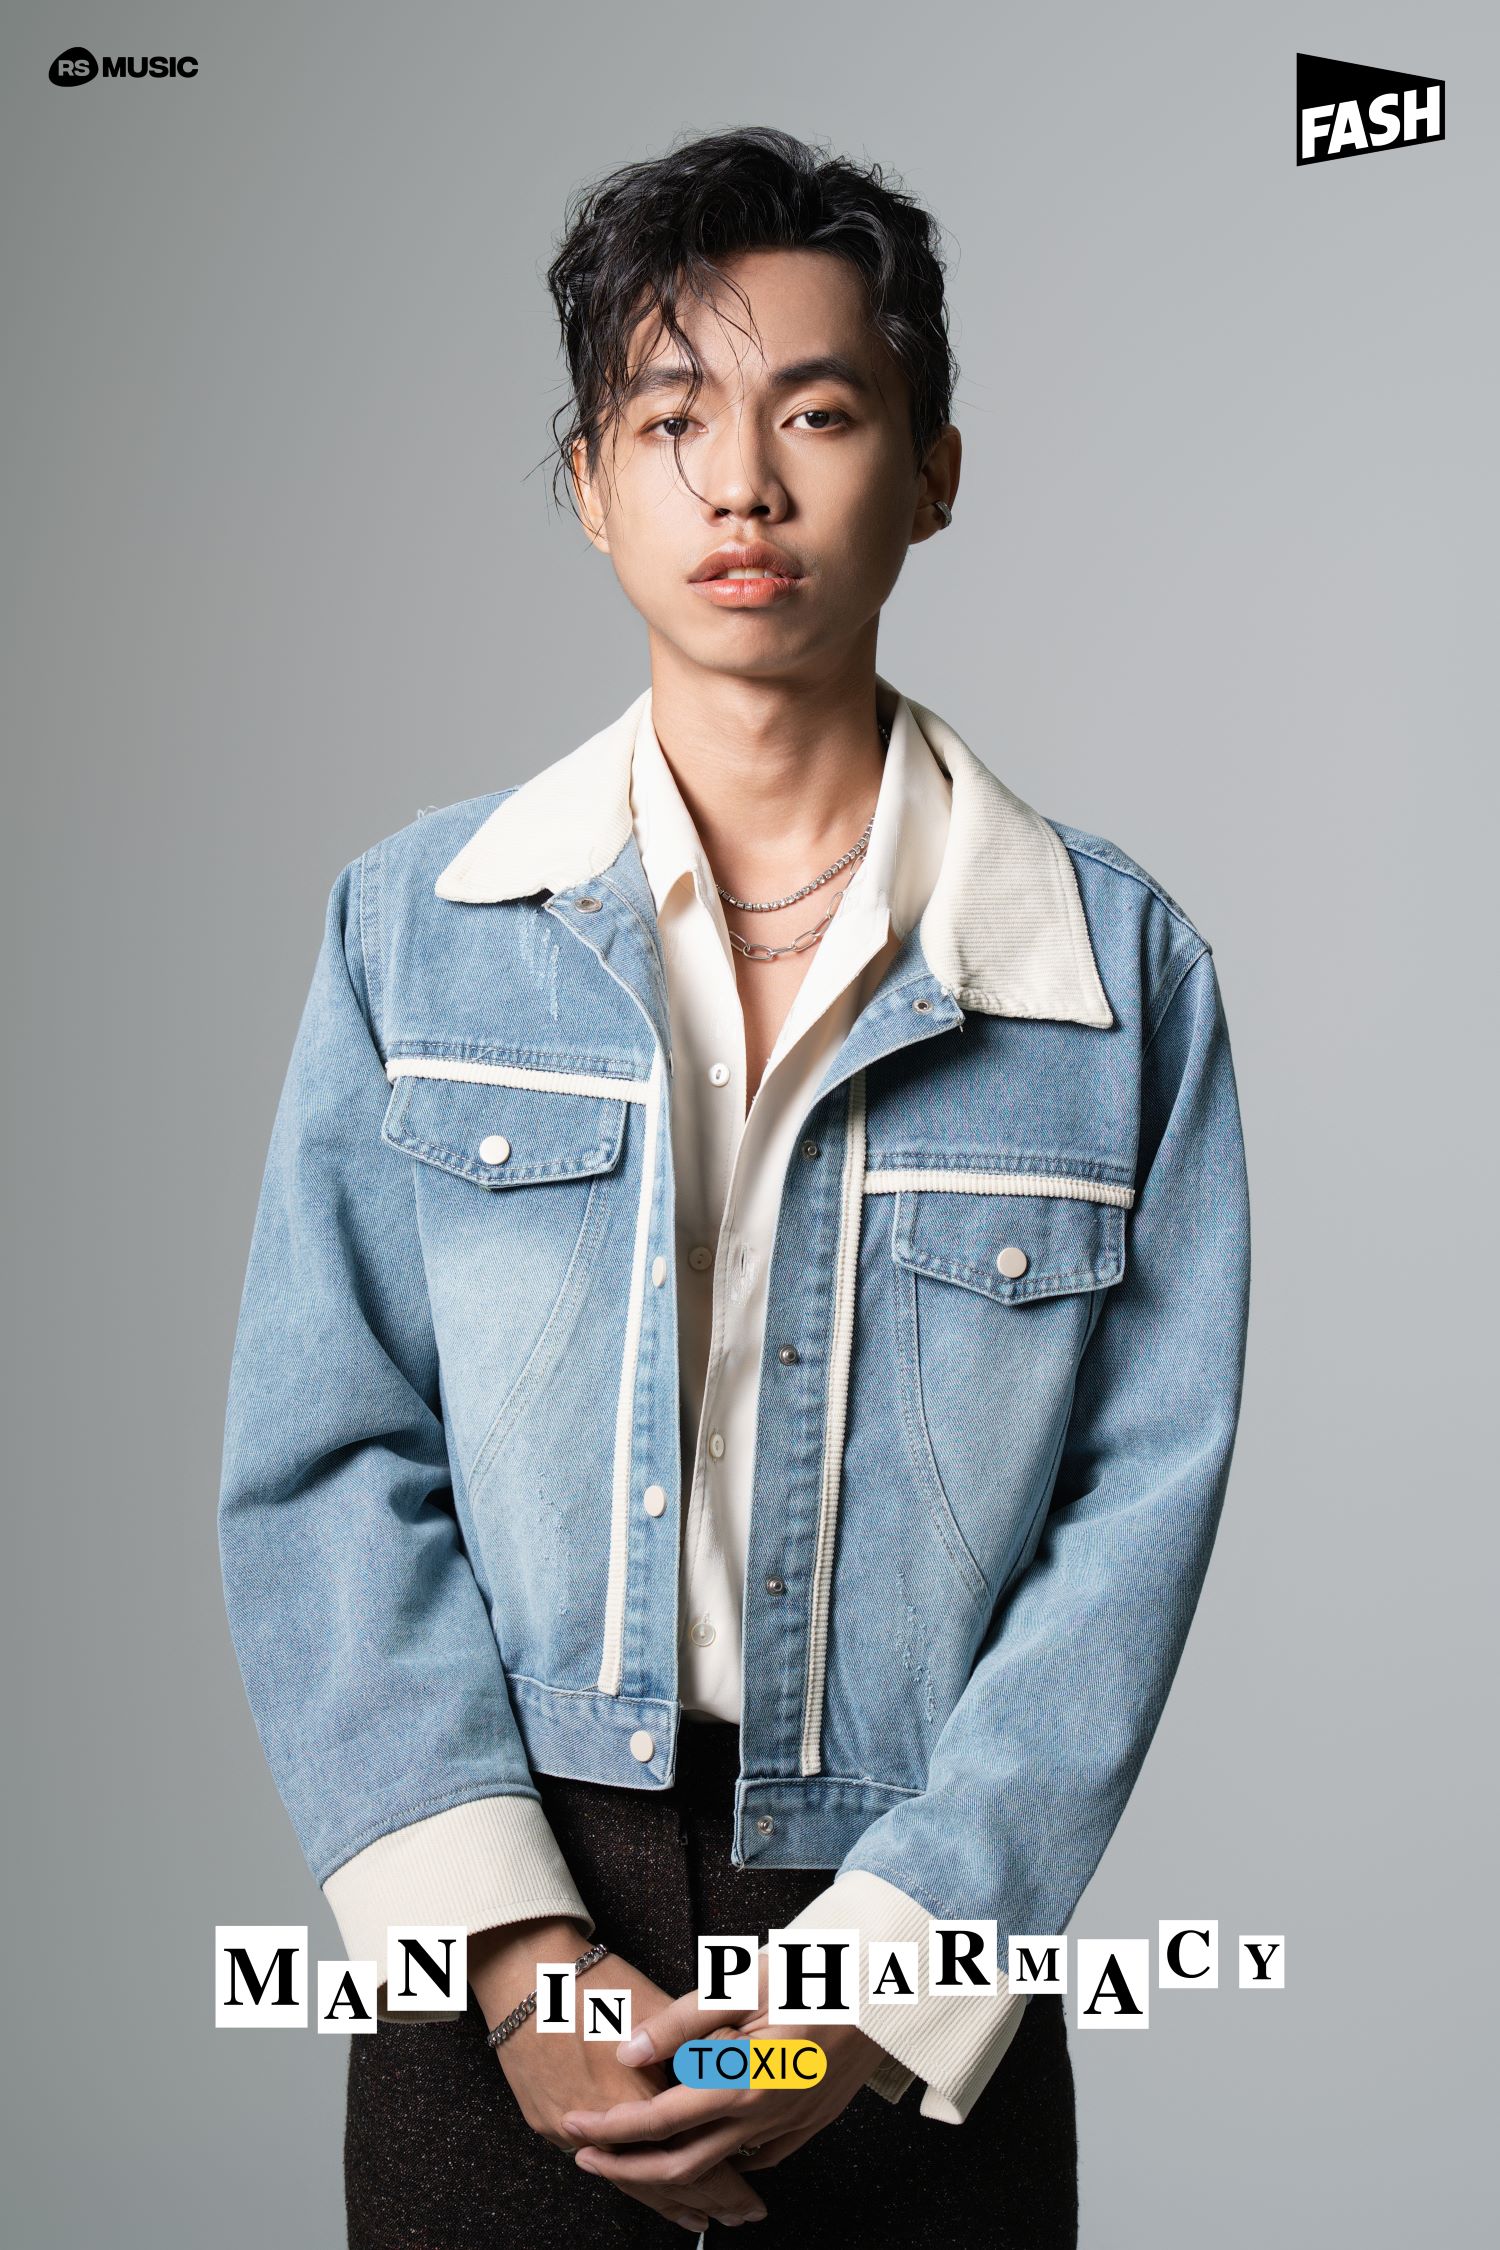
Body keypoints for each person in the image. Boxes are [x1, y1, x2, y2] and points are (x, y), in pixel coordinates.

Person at [218, 126, 1251, 2245]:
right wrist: (516, 1962)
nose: (743, 487)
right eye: (671, 420)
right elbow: (323, 1460)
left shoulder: (1116, 979)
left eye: (819, 414)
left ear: (933, 471)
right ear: (590, 484)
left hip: (911, 1942)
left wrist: (851, 2006)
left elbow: (1131, 1528)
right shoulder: (415, 934)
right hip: (499, 1918)